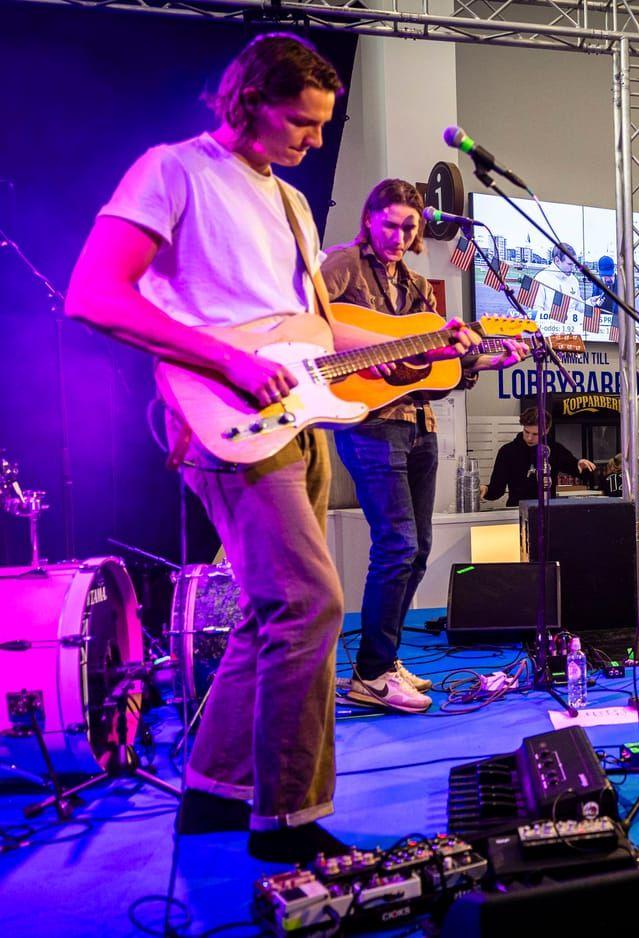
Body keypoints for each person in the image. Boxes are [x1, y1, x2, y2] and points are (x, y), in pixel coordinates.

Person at [64, 34, 476, 864]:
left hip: (303, 416)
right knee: (310, 605)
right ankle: (286, 820)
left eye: (324, 126)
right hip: (225, 416)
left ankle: (216, 793)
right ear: (247, 102)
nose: (316, 141)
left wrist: (426, 338)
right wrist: (224, 359)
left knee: (269, 612)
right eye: (302, 123)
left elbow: (321, 328)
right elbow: (93, 294)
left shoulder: (288, 201)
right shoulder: (172, 170)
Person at [324, 179, 521, 715]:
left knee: (419, 550)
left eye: (409, 226)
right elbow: (314, 322)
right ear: (369, 219)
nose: (399, 234)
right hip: (369, 423)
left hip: (419, 422)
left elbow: (430, 369)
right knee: (396, 546)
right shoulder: (342, 265)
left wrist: (483, 360)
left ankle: (385, 660)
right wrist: (373, 350)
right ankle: (370, 672)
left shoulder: (415, 285)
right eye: (390, 223)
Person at [481, 407, 597, 506]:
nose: (529, 438)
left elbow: (575, 468)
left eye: (535, 434)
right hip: (517, 512)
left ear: (546, 431)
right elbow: (497, 489)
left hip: (547, 513)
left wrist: (581, 466)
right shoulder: (508, 451)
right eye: (526, 432)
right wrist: (485, 490)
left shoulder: (555, 449)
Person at [531, 243, 583, 320]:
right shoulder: (541, 278)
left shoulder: (573, 280)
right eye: (570, 264)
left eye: (574, 265)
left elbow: (578, 306)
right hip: (549, 329)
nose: (573, 268)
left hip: (573, 330)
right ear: (557, 260)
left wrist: (591, 303)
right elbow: (536, 311)